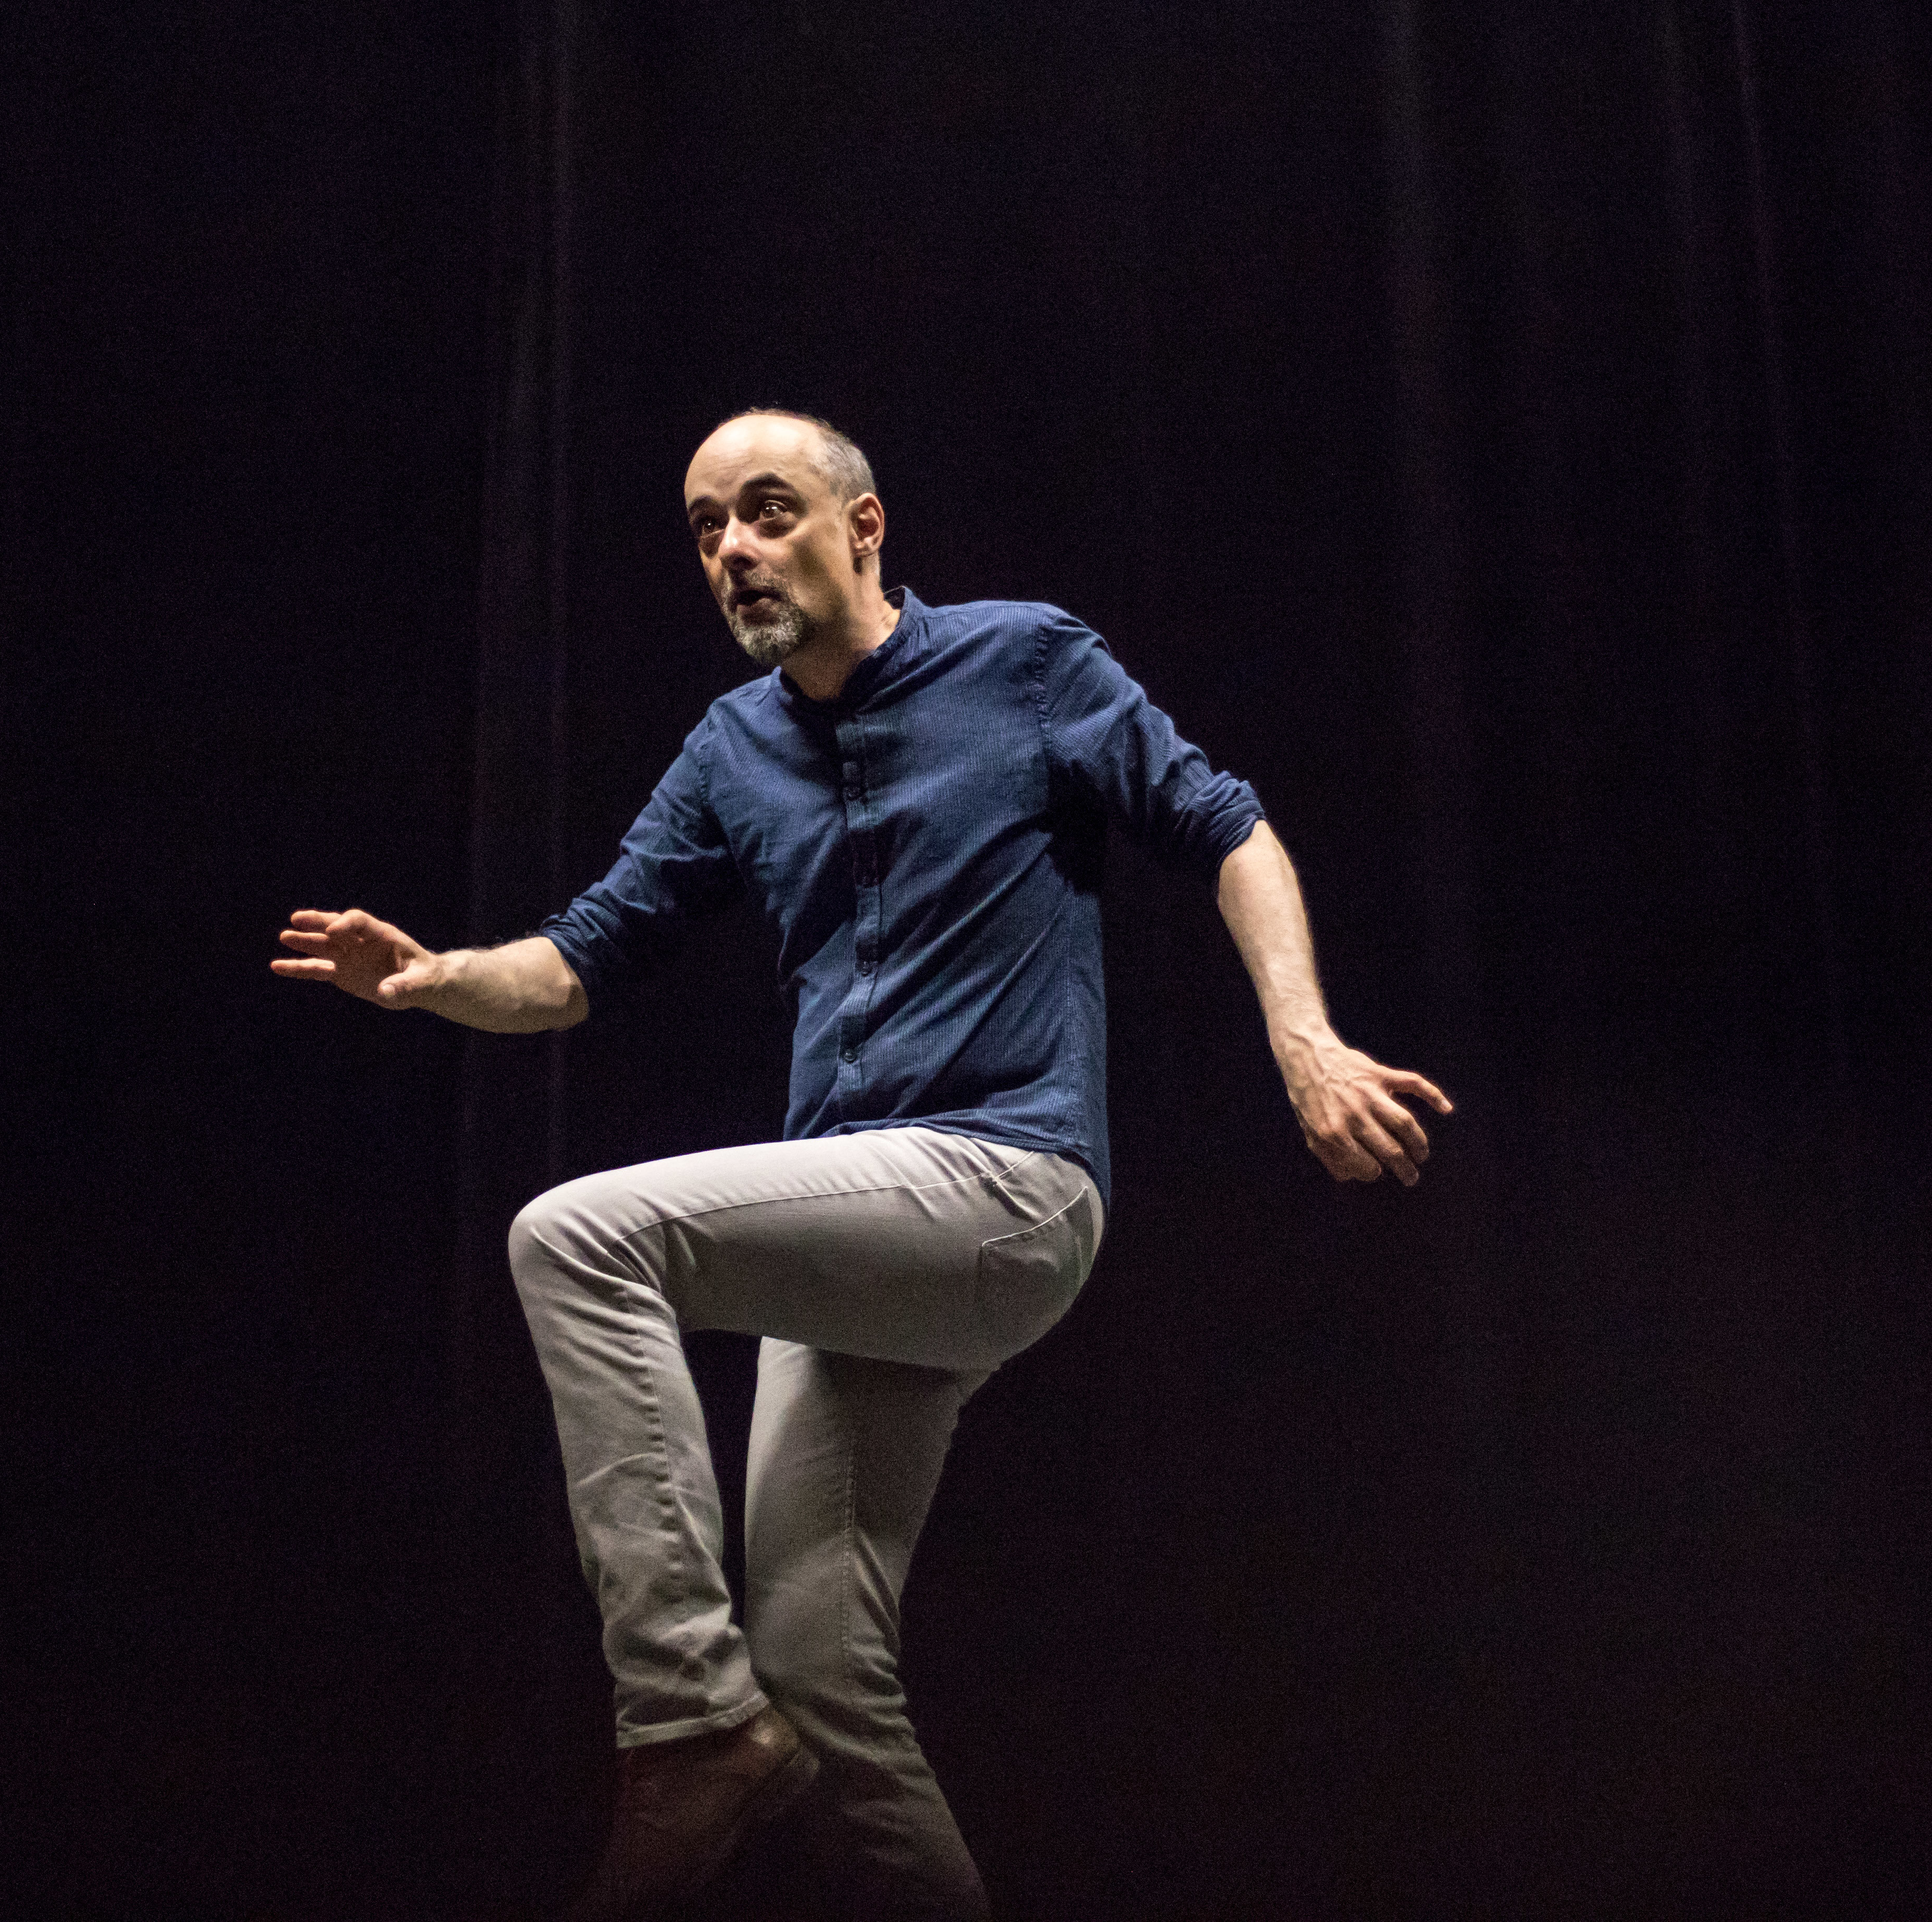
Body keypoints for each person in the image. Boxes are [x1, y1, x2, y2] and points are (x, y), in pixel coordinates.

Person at [271, 411, 1450, 1919]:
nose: (733, 551)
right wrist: (436, 979)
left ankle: (689, 1720)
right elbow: (576, 963)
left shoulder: (1022, 662)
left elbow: (1228, 828)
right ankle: (745, 1723)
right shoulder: (729, 748)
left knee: (574, 1236)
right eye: (706, 529)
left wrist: (1304, 1040)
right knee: (825, 1687)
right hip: (855, 1247)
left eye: (765, 513)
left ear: (863, 525)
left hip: (1004, 1186)